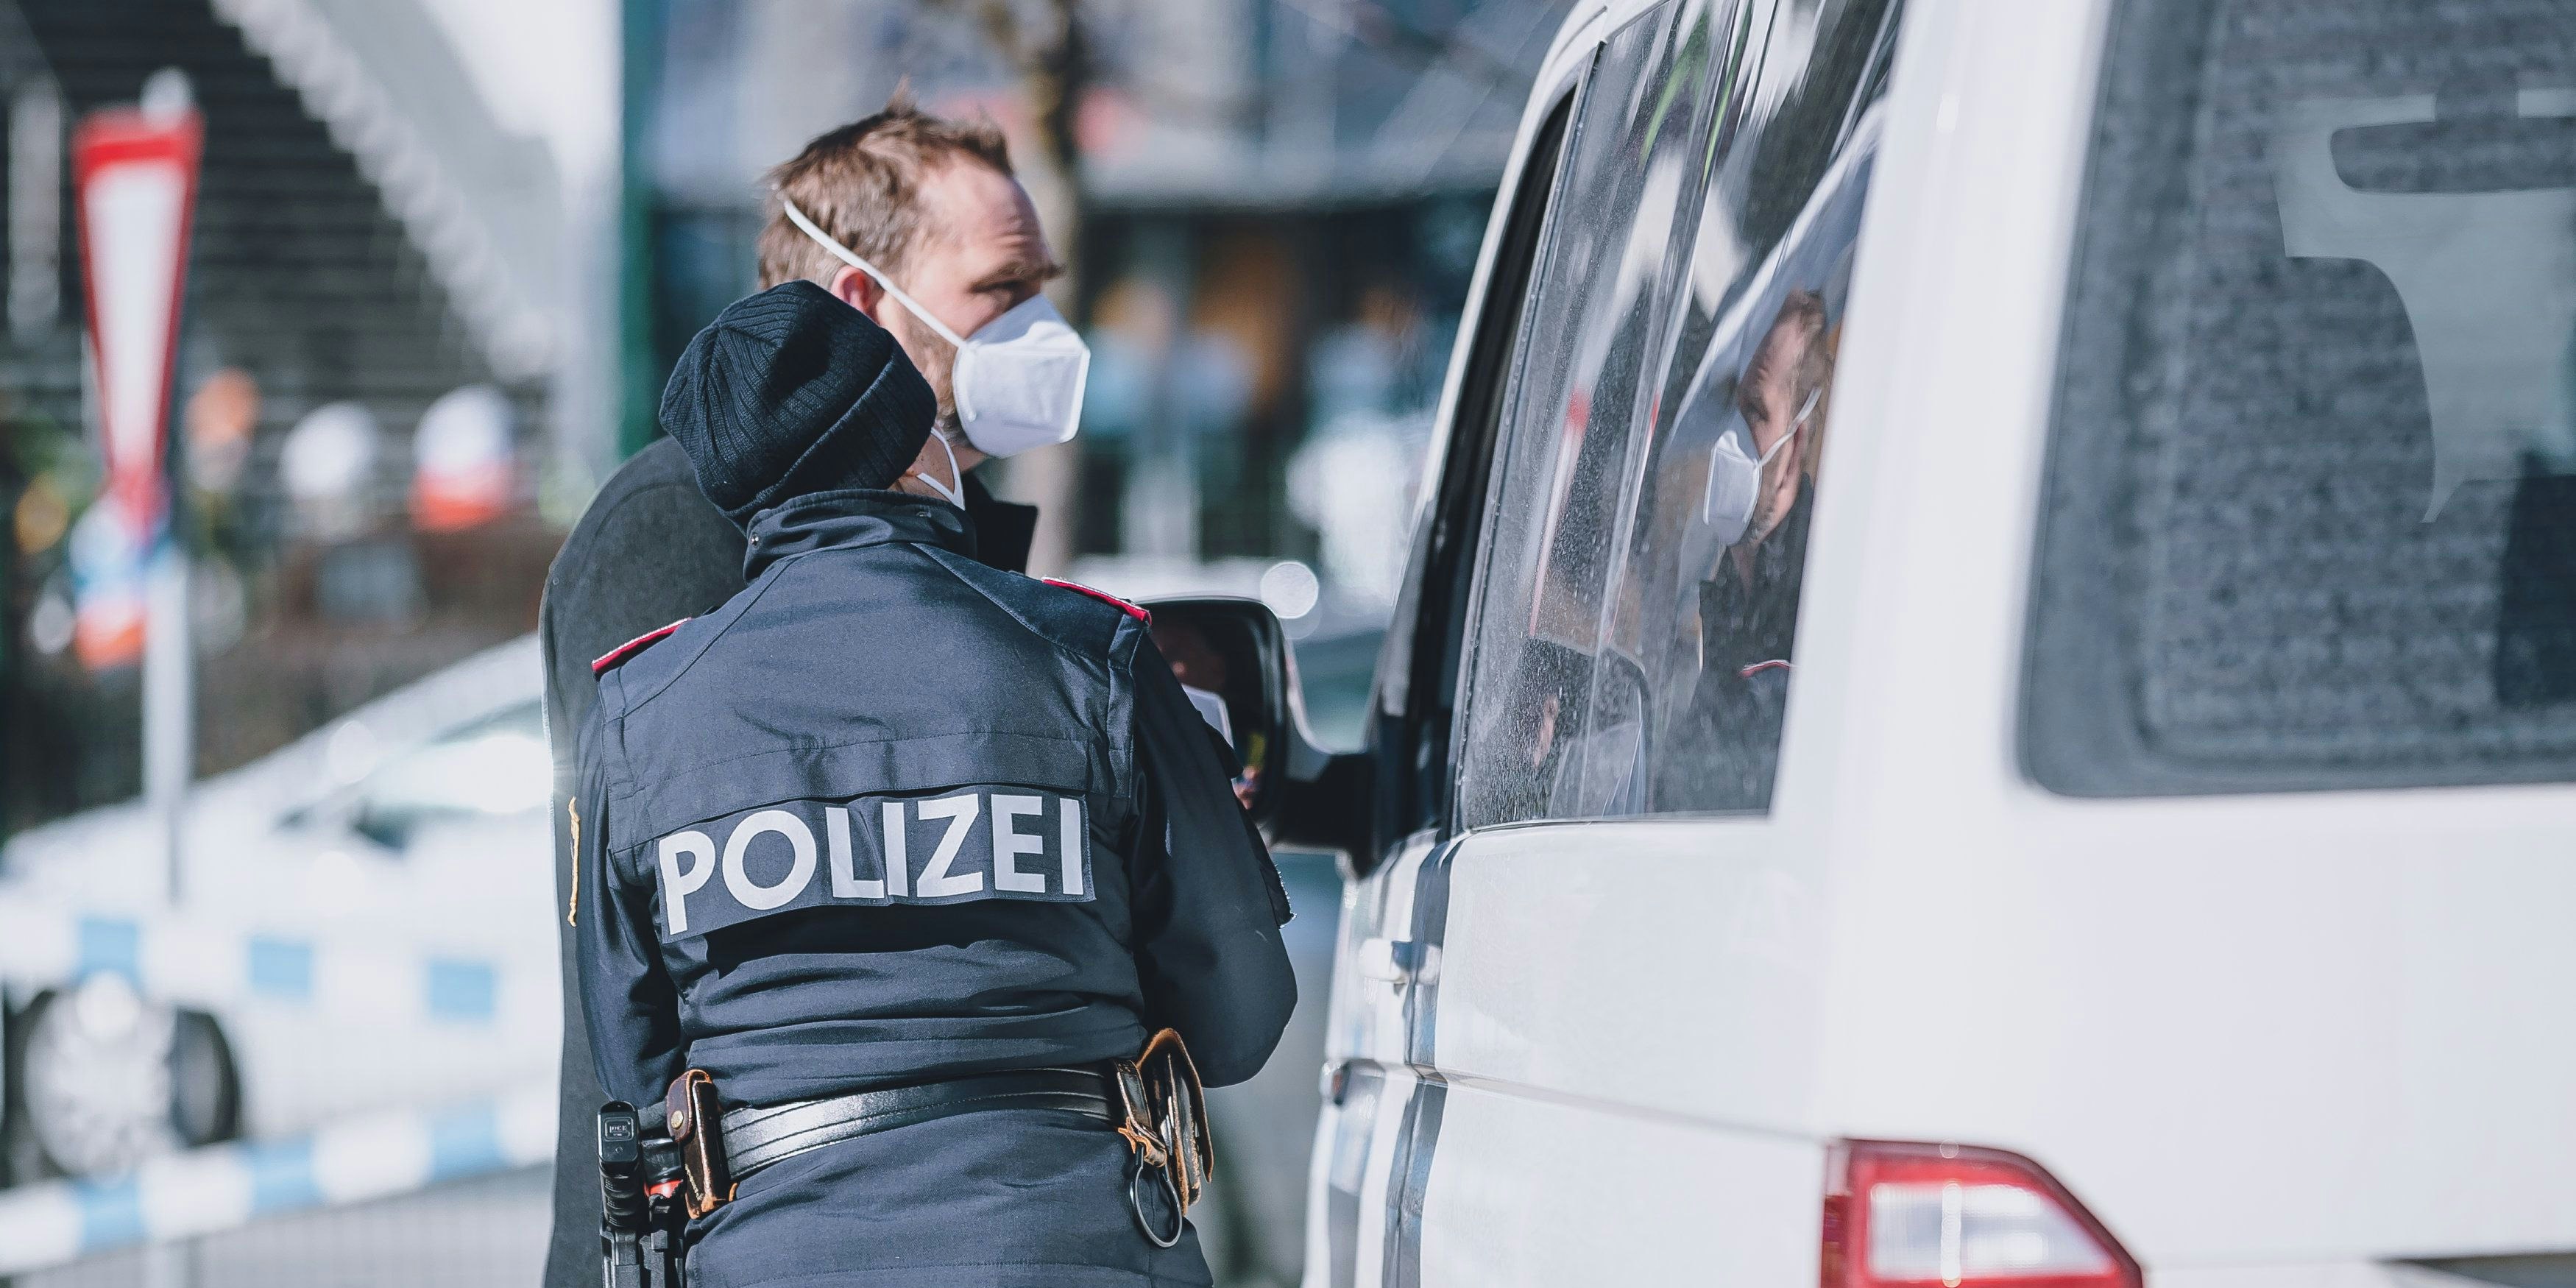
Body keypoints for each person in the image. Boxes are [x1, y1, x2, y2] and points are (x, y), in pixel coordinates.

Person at [573, 283, 1296, 1285]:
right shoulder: (1092, 656)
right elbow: (1242, 1010)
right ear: (916, 442)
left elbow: (634, 1065)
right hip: (1078, 1250)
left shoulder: (639, 712)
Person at [538, 95, 1069, 1287]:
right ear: (863, 306)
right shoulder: (675, 532)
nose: (1043, 327)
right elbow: (661, 963)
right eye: (1001, 291)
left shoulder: (950, 536)